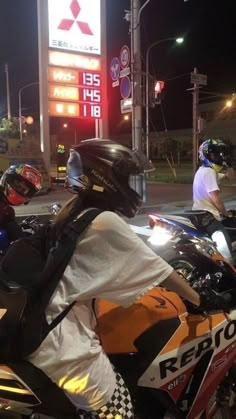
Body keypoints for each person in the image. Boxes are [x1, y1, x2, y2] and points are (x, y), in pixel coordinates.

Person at [28, 139, 222, 418]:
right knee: (120, 409)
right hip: (62, 342)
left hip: (49, 321)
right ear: (103, 178)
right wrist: (201, 298)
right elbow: (159, 269)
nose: (132, 186)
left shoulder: (76, 212)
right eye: (125, 178)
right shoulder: (104, 221)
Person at [192, 138, 235, 264]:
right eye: (214, 154)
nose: (217, 156)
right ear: (205, 155)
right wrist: (225, 213)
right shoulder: (209, 172)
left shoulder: (205, 171)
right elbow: (216, 199)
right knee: (225, 247)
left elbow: (231, 177)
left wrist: (228, 164)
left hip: (202, 213)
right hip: (207, 216)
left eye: (218, 154)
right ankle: (228, 265)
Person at [0, 164, 42, 241]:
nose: (20, 190)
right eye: (18, 185)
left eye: (24, 190)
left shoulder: (7, 210)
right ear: (8, 179)